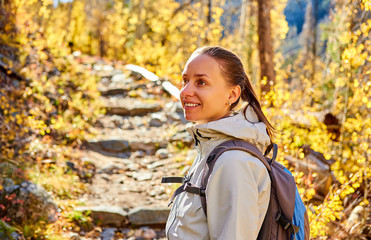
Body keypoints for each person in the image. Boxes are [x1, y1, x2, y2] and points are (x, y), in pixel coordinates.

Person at [165, 46, 275, 240]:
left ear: (232, 95)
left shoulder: (233, 163)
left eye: (201, 82)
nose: (185, 91)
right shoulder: (212, 146)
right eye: (185, 80)